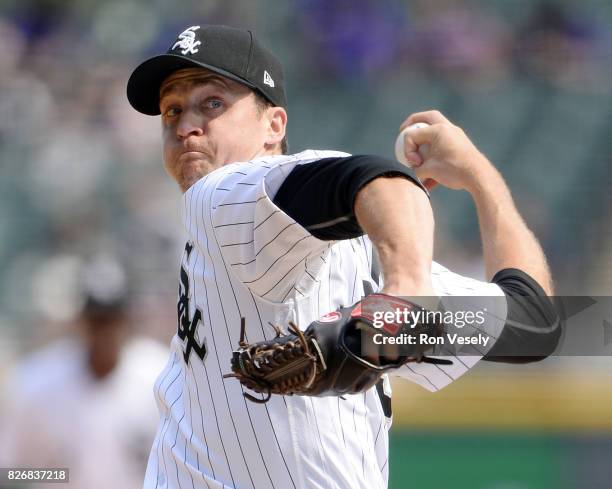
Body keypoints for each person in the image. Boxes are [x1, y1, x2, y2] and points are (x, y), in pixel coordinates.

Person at [126, 24, 560, 489]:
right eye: (172, 110)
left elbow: (376, 178)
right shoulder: (360, 270)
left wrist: (407, 293)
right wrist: (479, 176)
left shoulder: (217, 197)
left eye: (212, 103)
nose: (185, 125)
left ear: (274, 126)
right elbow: (533, 324)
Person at [0, 258, 169, 489]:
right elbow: (9, 472)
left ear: (127, 320)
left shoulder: (160, 378)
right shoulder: (36, 381)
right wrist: (56, 474)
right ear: (80, 320)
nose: (104, 331)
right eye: (96, 320)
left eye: (111, 320)